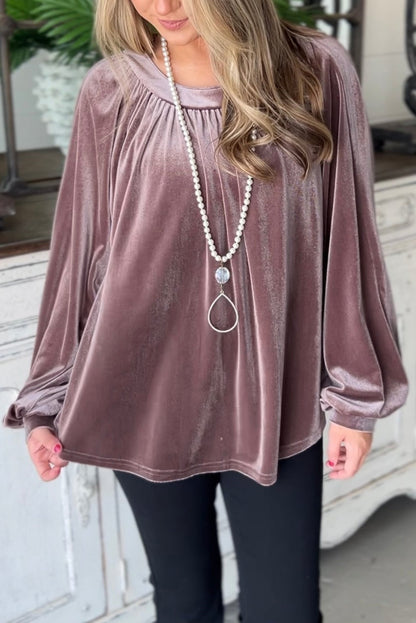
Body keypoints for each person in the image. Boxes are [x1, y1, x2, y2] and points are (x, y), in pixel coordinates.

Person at [3, 1, 409, 621]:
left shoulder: (316, 70)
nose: (163, 6)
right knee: (183, 602)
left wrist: (356, 399)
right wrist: (45, 402)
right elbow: (80, 257)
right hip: (142, 393)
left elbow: (348, 241)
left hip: (277, 396)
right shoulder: (111, 89)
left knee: (285, 609)